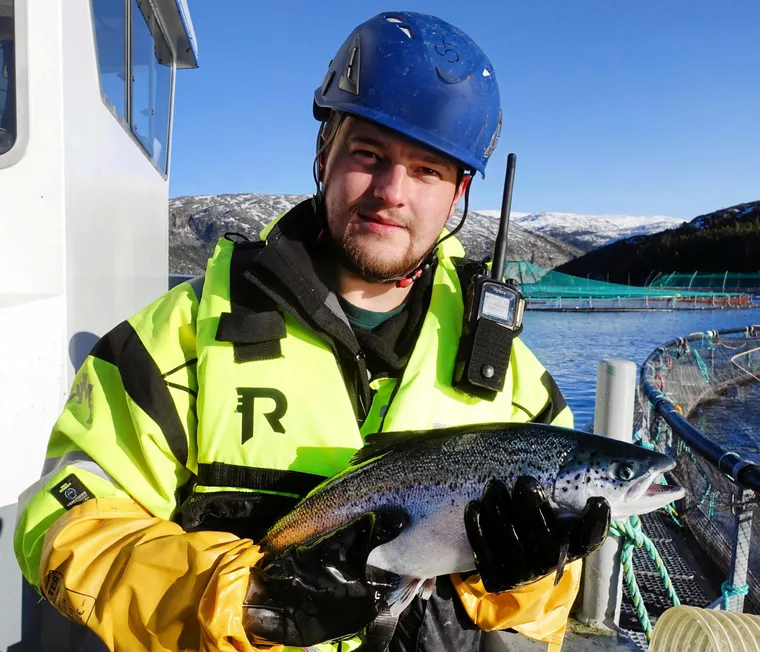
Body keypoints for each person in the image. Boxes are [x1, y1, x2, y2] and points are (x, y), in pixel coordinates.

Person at [13, 11, 611, 652]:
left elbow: (540, 621)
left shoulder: (521, 391)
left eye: (428, 171)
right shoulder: (174, 344)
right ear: (326, 153)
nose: (391, 192)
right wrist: (248, 601)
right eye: (369, 155)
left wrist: (521, 581)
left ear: (458, 192)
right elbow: (64, 522)